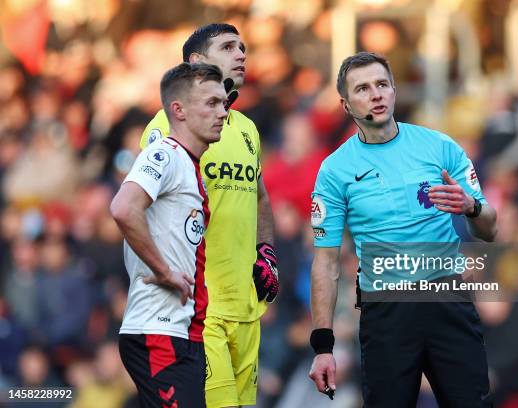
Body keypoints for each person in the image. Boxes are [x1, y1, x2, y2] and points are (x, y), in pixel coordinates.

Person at [307, 52, 497, 407]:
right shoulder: (334, 171)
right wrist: (323, 345)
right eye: (362, 89)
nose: (376, 94)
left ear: (395, 90)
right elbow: (326, 262)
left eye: (382, 84)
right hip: (386, 310)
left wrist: (472, 208)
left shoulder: (439, 147)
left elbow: (491, 228)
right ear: (346, 105)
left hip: (446, 298)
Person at [140, 24, 279, 408]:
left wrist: (266, 251)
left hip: (246, 310)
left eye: (243, 47)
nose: (241, 54)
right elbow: (142, 207)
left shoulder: (247, 128)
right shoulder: (170, 124)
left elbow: (261, 196)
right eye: (228, 46)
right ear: (197, 62)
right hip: (200, 311)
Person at [111, 62, 228, 407]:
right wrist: (163, 271)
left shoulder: (191, 167)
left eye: (223, 103)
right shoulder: (165, 154)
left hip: (181, 332)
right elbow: (123, 208)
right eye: (210, 103)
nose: (222, 112)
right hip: (158, 330)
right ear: (178, 110)